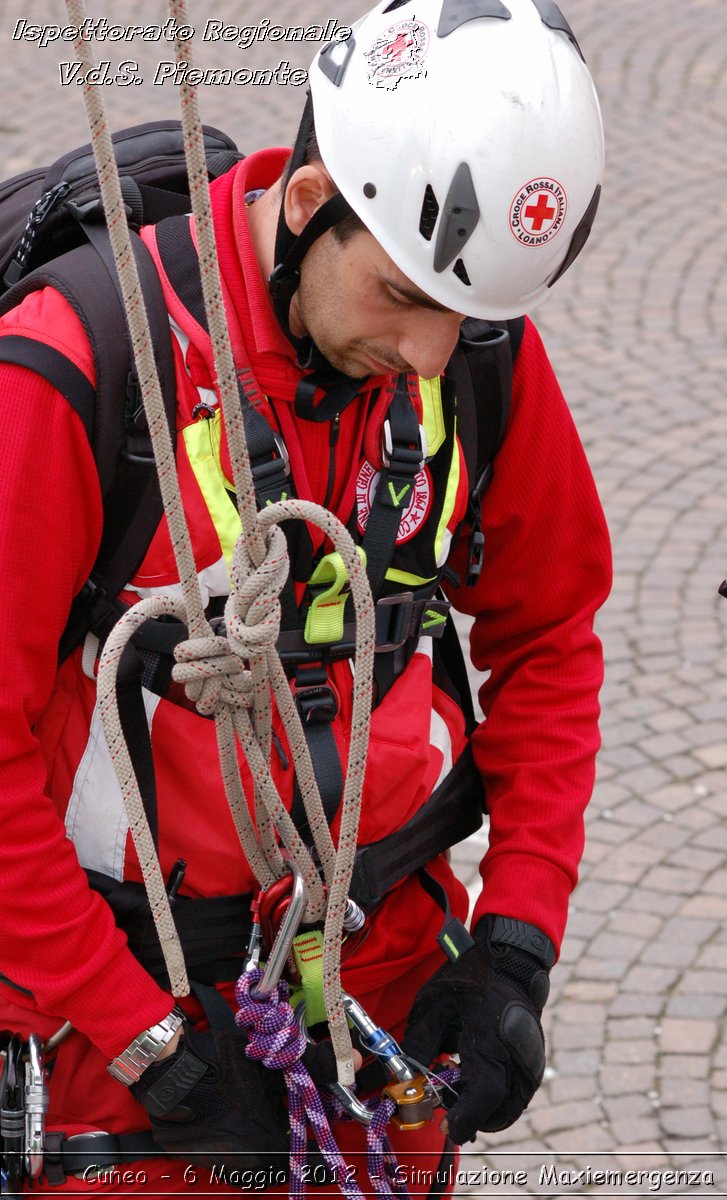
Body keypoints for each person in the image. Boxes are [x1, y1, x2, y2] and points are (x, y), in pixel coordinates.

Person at [0, 0, 610, 1193]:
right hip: (125, 1011)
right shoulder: (84, 363)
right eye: (400, 296)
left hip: (381, 990)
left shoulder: (469, 353)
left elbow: (549, 637)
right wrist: (148, 1041)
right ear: (311, 197)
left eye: (465, 313)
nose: (430, 353)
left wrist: (515, 945)